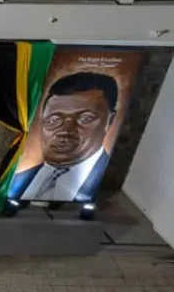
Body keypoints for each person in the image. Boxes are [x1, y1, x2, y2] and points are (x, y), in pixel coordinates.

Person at [11, 71, 117, 203]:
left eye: (85, 118)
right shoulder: (15, 181)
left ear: (110, 120)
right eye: (54, 120)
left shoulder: (112, 184)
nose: (65, 131)